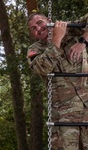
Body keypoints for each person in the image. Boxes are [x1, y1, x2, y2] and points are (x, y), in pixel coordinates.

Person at [27, 12, 88, 148]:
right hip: (65, 117)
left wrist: (83, 42)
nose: (38, 29)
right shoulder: (34, 49)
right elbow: (42, 68)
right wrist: (57, 39)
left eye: (40, 23)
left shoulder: (72, 31)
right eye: (33, 29)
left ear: (49, 20)